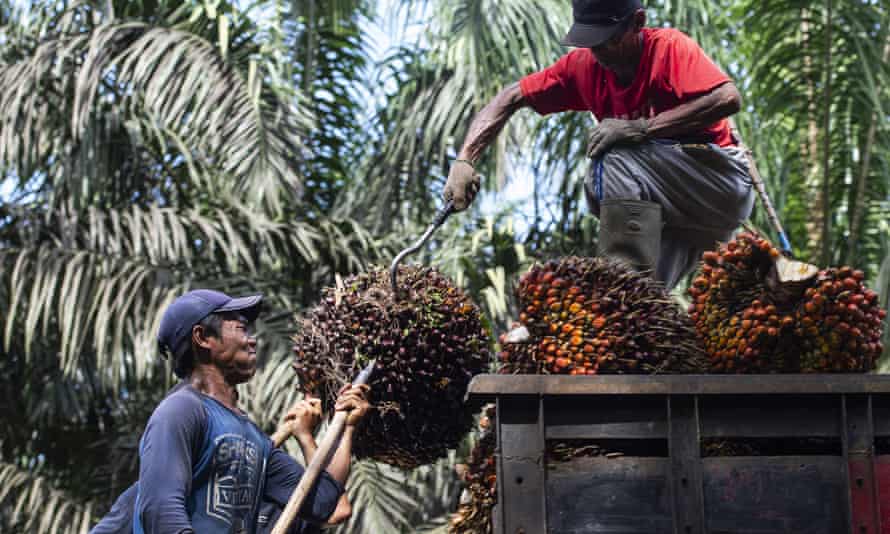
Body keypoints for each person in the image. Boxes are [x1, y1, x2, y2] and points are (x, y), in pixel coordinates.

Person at [443, 0, 755, 289]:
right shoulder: (583, 68)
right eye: (592, 44)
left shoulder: (669, 48)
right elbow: (510, 98)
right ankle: (633, 306)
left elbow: (728, 98)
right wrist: (465, 160)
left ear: (638, 22)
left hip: (719, 184)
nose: (601, 53)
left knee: (612, 156)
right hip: (680, 216)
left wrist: (642, 128)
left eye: (609, 40)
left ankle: (622, 277)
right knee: (638, 312)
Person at [90, 289, 369, 534]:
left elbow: (324, 501)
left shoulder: (254, 438)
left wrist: (346, 425)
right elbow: (161, 512)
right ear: (203, 338)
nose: (252, 340)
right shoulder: (181, 411)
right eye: (240, 328)